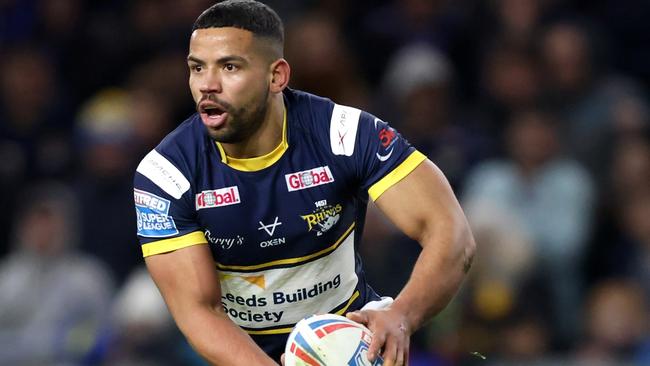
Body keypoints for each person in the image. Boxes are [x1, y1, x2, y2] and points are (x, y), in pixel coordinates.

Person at [133, 1, 475, 365]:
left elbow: (452, 234)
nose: (208, 85)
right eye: (197, 68)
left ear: (277, 76)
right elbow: (199, 311)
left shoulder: (343, 134)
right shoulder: (166, 174)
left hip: (354, 345)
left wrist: (402, 315)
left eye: (229, 67)